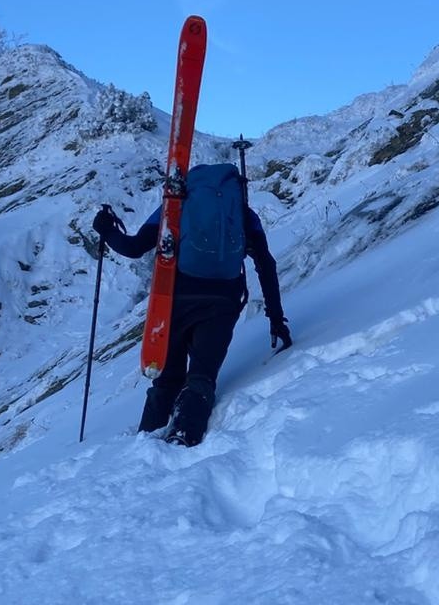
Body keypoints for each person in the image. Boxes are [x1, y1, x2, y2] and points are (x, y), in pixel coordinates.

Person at [92, 163, 291, 446]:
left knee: (166, 380)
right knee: (201, 376)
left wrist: (107, 230)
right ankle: (184, 438)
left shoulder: (175, 208)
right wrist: (276, 318)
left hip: (176, 300)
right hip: (223, 302)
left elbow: (133, 248)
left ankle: (143, 447)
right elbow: (266, 266)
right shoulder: (243, 215)